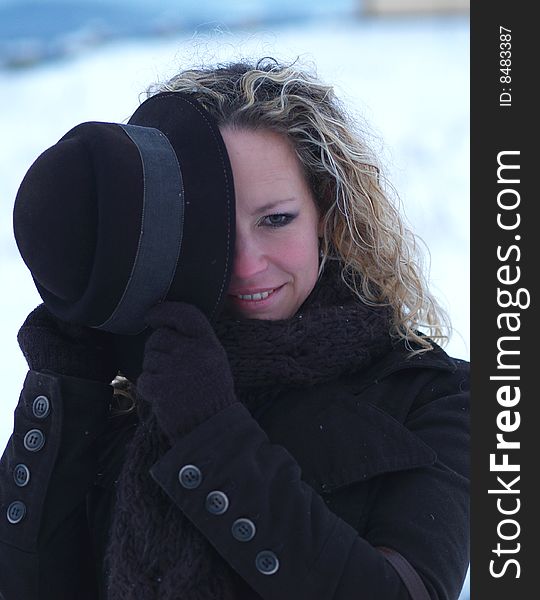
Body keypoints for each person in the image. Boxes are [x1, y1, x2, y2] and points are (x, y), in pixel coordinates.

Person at [0, 57, 469, 599]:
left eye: (276, 219)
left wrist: (211, 433)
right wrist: (66, 390)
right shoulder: (133, 392)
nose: (247, 265)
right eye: (214, 231)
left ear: (328, 213)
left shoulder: (438, 398)